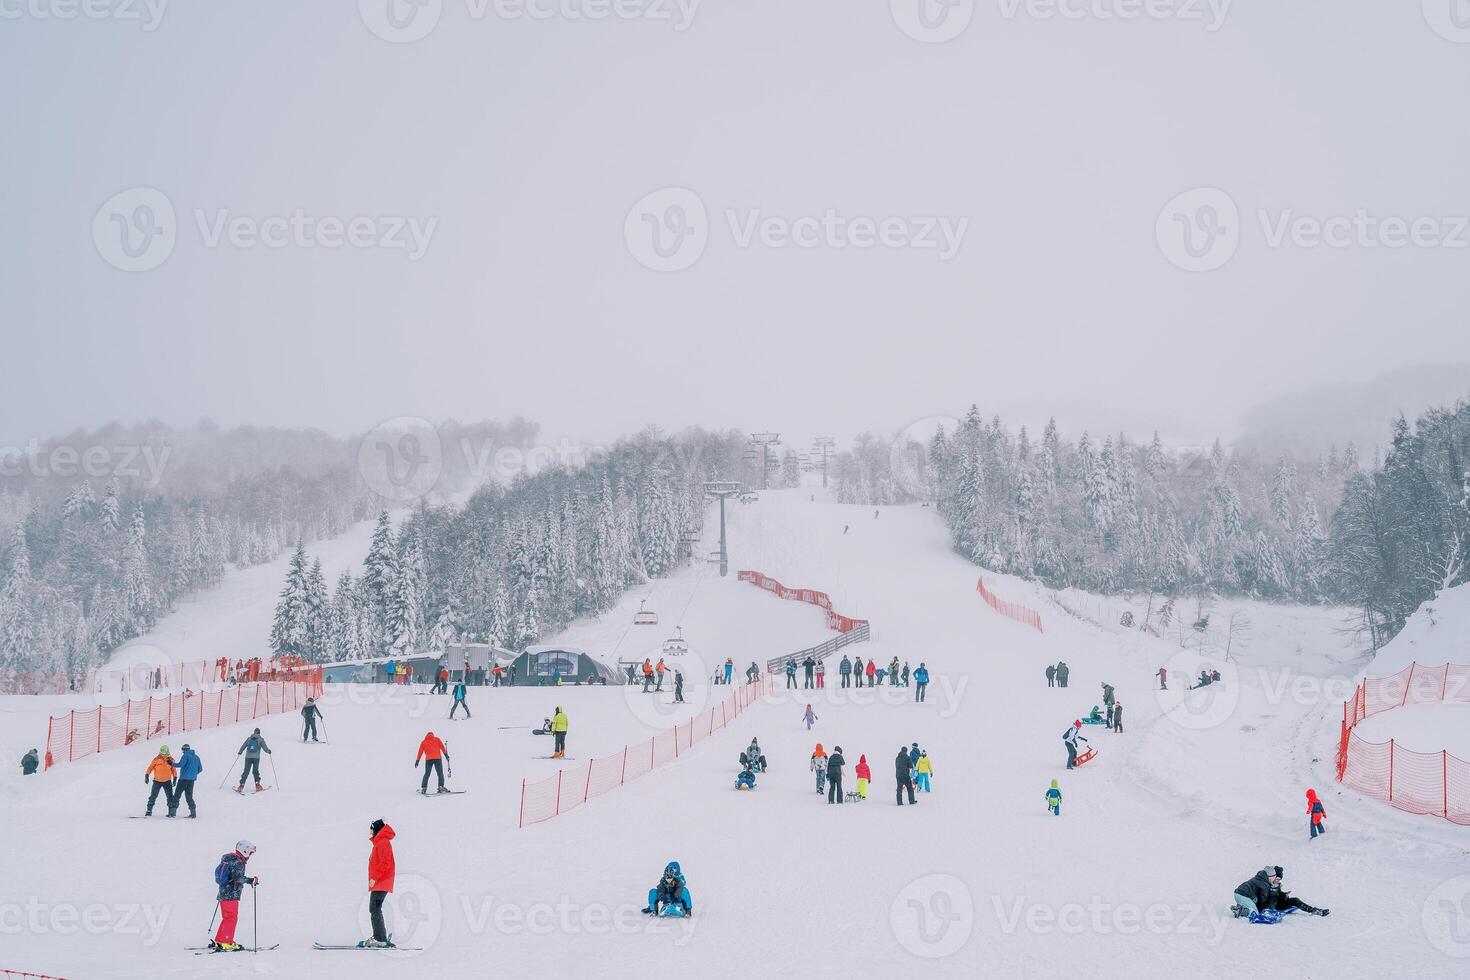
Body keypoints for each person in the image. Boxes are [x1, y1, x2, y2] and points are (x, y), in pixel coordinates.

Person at [210, 840, 258, 952]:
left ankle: (220, 940)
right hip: (231, 894)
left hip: (223, 893)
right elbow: (238, 878)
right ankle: (226, 942)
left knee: (227, 918)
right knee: (231, 918)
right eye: (250, 853)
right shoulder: (238, 862)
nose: (250, 855)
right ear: (244, 851)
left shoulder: (228, 860)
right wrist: (251, 880)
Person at [1231, 866, 1329, 918]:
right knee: (1255, 914)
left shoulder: (1274, 883)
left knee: (1295, 900)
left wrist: (1283, 895)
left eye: (1279, 879)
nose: (1278, 881)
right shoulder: (1265, 885)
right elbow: (1266, 907)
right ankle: (1242, 910)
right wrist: (1273, 893)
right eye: (1276, 878)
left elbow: (1277, 896)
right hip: (1267, 905)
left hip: (1272, 903)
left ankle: (1315, 910)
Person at [362, 820, 396, 947]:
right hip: (380, 882)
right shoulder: (380, 842)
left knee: (375, 908)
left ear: (377, 829)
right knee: (375, 908)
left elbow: (385, 863)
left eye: (372, 829)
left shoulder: (383, 843)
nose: (370, 832)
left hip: (382, 881)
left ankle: (380, 938)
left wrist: (374, 878)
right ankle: (379, 937)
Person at [144, 746, 177, 817]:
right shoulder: (156, 759)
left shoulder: (171, 760)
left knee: (170, 797)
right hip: (157, 781)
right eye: (163, 753)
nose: (164, 755)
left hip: (167, 781)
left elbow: (174, 770)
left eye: (165, 753)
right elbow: (150, 768)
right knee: (153, 796)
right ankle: (149, 810)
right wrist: (147, 775)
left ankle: (170, 812)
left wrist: (175, 778)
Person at [236, 729, 271, 793]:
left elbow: (243, 746)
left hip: (248, 757)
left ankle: (241, 785)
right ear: (259, 733)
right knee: (255, 771)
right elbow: (265, 748)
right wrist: (268, 751)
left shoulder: (249, 739)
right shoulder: (261, 739)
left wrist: (240, 752)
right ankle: (257, 785)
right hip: (256, 758)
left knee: (246, 771)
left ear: (254, 732)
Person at [174, 743, 203, 818]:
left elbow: (180, 765)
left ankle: (172, 813)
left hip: (183, 779)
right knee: (189, 796)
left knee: (177, 795)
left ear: (184, 749)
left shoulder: (185, 756)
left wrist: (172, 764)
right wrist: (193, 774)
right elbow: (200, 769)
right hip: (191, 780)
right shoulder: (197, 757)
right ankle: (193, 813)